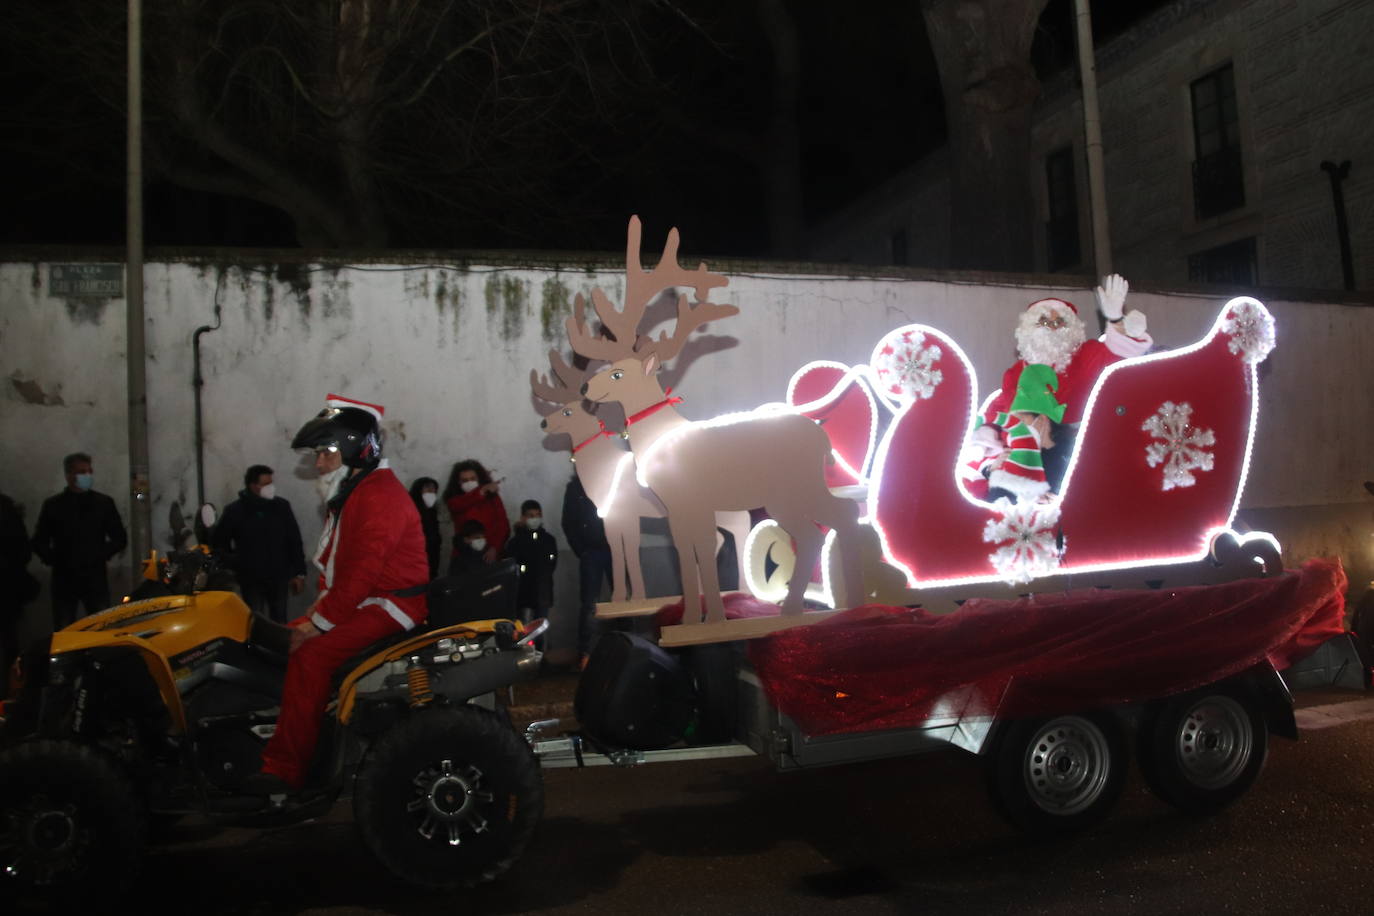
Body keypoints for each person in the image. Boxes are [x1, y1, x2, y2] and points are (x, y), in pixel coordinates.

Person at [246, 394, 429, 795]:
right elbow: (344, 571)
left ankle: (284, 771)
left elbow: (362, 574)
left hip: (391, 606)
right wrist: (317, 614)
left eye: (325, 452)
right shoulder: (360, 491)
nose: (318, 463)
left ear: (351, 449)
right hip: (367, 600)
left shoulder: (377, 496)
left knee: (310, 656)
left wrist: (317, 624)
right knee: (271, 645)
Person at [969, 275, 1152, 502]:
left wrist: (1116, 320)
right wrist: (995, 453)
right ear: (1028, 330)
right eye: (1044, 322)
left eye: (1059, 323)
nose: (1051, 328)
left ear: (1072, 330)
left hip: (1073, 455)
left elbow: (1117, 355)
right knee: (999, 502)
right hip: (1022, 455)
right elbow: (1000, 414)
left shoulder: (1086, 356)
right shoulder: (1015, 373)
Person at [30, 452, 128, 628]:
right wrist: (56, 559)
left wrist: (99, 555)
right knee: (64, 628)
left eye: (89, 471)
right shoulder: (54, 506)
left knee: (100, 626)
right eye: (82, 472)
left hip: (94, 577)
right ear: (69, 476)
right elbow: (39, 541)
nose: (87, 475)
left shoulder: (103, 503)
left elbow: (119, 538)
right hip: (64, 578)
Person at [212, 464, 308, 623]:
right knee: (256, 622)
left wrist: (299, 572)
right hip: (251, 580)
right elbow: (220, 542)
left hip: (279, 577)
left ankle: (279, 648)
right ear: (253, 486)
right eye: (265, 484)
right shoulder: (235, 511)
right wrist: (235, 563)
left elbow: (294, 541)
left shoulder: (281, 507)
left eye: (271, 483)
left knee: (279, 620)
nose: (270, 487)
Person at [561, 474, 612, 669]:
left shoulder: (610, 479)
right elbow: (568, 521)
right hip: (591, 551)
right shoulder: (575, 488)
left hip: (613, 548)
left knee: (625, 600)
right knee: (590, 604)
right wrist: (581, 550)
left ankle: (628, 642)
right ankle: (586, 652)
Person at [503, 499, 557, 647]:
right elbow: (513, 564)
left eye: (537, 515)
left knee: (541, 628)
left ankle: (541, 657)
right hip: (523, 591)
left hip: (542, 591)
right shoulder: (515, 542)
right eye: (530, 515)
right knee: (524, 628)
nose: (534, 518)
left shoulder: (548, 540)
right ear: (523, 517)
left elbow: (552, 563)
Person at [443, 459, 509, 575]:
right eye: (465, 480)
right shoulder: (455, 500)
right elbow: (457, 505)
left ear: (479, 479)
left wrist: (495, 548)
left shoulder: (492, 498)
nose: (469, 483)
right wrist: (481, 491)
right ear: (458, 483)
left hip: (490, 556)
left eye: (473, 479)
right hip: (464, 559)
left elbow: (503, 525)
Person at [1, 491, 39, 679]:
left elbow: (23, 551)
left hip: (7, 590)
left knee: (9, 639)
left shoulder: (6, 511)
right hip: (8, 590)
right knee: (9, 640)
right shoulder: (8, 510)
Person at [408, 476, 442, 579]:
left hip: (431, 557)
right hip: (415, 559)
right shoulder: (411, 510)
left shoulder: (432, 512)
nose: (432, 491)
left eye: (434, 489)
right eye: (427, 488)